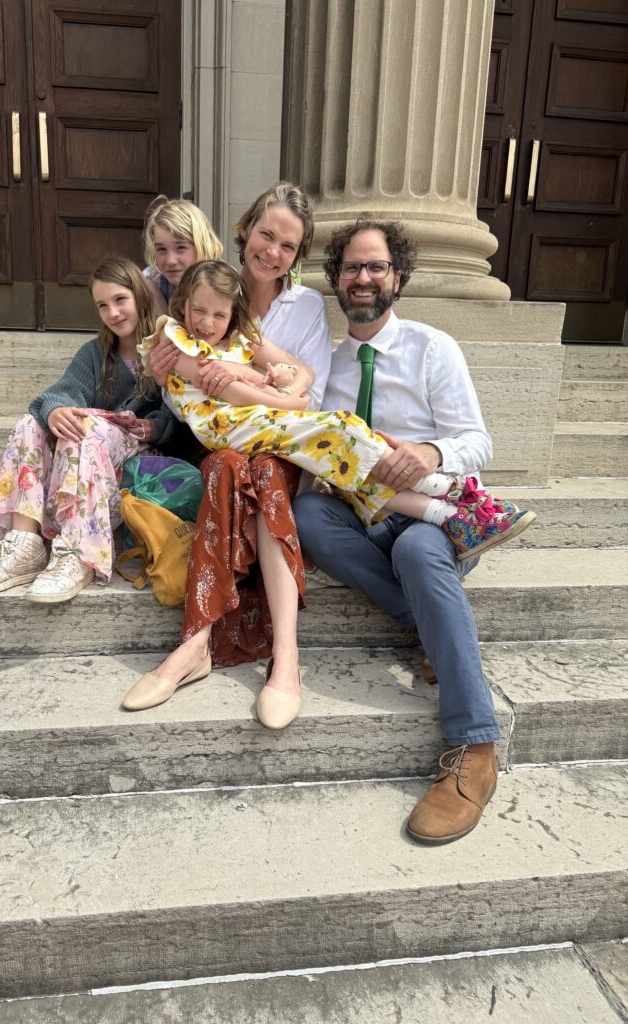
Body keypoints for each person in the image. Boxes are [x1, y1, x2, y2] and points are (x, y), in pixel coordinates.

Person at [293, 217, 518, 846]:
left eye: (376, 266)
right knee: (307, 516)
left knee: (420, 552)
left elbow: (477, 441)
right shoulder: (327, 366)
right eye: (352, 267)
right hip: (365, 515)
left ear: (398, 276)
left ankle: (476, 746)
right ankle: (431, 625)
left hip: (436, 517)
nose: (363, 278)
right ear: (337, 278)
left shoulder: (432, 348)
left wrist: (430, 452)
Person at [140, 259, 533, 555]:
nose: (207, 323)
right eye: (199, 311)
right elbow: (230, 392)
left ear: (232, 313)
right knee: (340, 425)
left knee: (345, 469)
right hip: (227, 427)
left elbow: (304, 370)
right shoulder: (173, 338)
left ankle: (450, 517)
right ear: (183, 305)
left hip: (257, 418)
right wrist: (282, 396)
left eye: (219, 314)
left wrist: (284, 386)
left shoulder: (241, 337)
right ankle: (452, 489)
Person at [122, 182, 332, 727]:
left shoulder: (306, 306)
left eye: (288, 246)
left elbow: (309, 390)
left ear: (297, 255)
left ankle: (285, 657)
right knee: (226, 464)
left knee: (259, 469)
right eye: (266, 235)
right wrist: (167, 375)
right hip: (218, 441)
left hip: (282, 445)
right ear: (244, 231)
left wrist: (246, 377)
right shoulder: (209, 290)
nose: (273, 252)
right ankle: (195, 644)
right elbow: (181, 392)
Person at [0, 257, 180, 604]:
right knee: (32, 422)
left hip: (140, 460)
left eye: (120, 300)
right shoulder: (95, 354)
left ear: (139, 295)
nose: (113, 313)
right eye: (102, 305)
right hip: (90, 451)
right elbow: (60, 393)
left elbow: (183, 413)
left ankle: (79, 553)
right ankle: (25, 544)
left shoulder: (166, 349)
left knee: (85, 426)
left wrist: (158, 426)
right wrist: (56, 410)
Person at [142, 195, 224, 308]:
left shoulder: (226, 284)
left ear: (202, 245)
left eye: (180, 248)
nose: (170, 261)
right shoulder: (148, 283)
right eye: (161, 249)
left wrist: (161, 309)